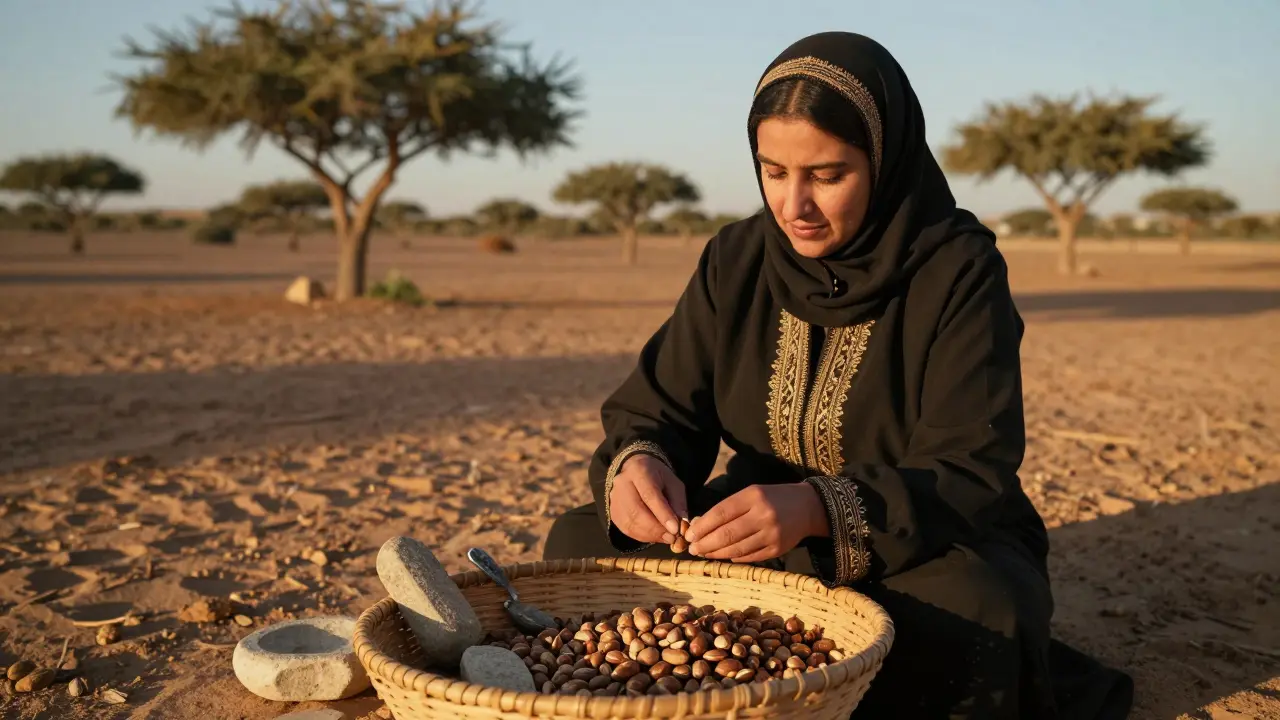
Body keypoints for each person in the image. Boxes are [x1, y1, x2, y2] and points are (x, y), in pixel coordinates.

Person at [542, 31, 1134, 719]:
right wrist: (639, 470)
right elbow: (661, 410)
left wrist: (818, 509)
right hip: (753, 530)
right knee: (579, 541)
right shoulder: (736, 258)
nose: (795, 205)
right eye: (773, 171)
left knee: (980, 607)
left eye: (827, 175)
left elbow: (971, 465)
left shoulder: (959, 269)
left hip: (919, 537)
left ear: (884, 162)